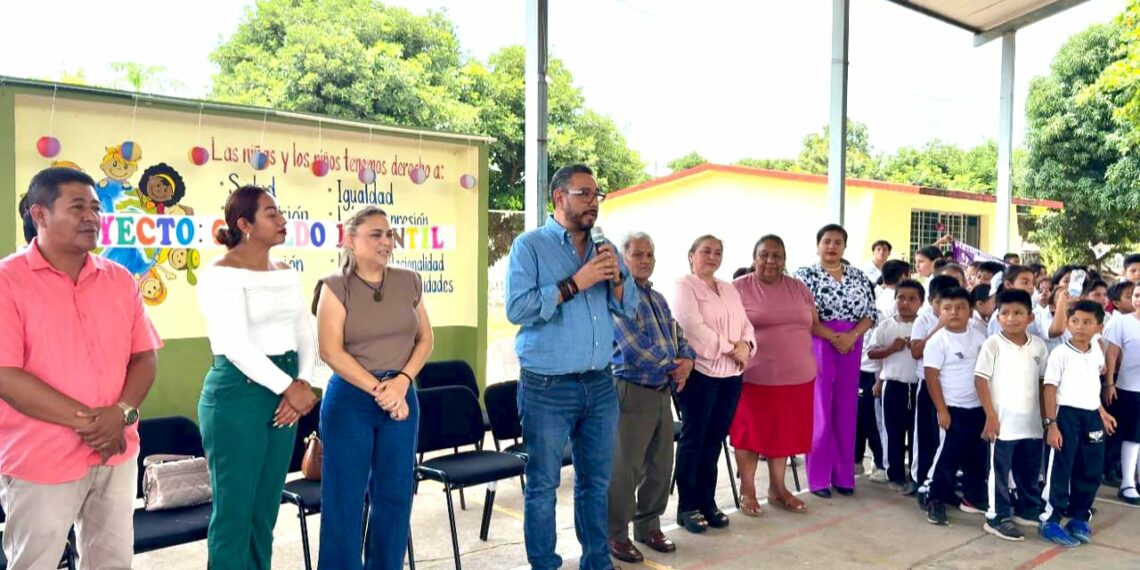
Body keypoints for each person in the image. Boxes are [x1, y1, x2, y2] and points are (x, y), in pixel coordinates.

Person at [0, 167, 161, 569]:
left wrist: (120, 414)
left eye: (95, 207)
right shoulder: (7, 280)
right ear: (39, 215)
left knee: (112, 561)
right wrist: (97, 423)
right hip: (42, 458)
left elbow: (144, 357)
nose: (92, 216)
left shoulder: (120, 280)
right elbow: (6, 375)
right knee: (34, 562)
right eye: (77, 207)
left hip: (116, 454)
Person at [505, 164, 637, 570]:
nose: (594, 202)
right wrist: (575, 283)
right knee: (543, 485)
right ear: (559, 198)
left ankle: (596, 561)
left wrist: (616, 280)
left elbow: (627, 306)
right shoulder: (530, 247)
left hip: (599, 384)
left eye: (597, 194)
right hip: (547, 387)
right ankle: (544, 563)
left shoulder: (606, 248)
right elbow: (518, 308)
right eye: (585, 194)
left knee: (595, 483)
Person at [196, 185, 320, 570]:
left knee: (264, 511)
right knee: (234, 515)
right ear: (244, 223)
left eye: (280, 211)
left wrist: (303, 382)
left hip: (286, 392)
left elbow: (305, 332)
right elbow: (234, 344)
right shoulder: (220, 274)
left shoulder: (286, 272)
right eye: (271, 213)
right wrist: (291, 388)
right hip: (237, 395)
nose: (282, 220)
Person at [313, 206, 434, 569]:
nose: (386, 241)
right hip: (352, 399)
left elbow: (426, 339)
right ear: (350, 241)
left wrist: (401, 383)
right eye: (375, 234)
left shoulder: (409, 280)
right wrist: (380, 390)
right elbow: (330, 350)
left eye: (389, 234)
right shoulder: (334, 287)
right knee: (344, 501)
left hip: (401, 396)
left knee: (395, 496)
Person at [607, 232, 695, 563]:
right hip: (630, 390)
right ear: (621, 258)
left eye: (650, 254)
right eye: (638, 254)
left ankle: (648, 526)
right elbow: (631, 347)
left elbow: (678, 334)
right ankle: (616, 534)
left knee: (659, 465)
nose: (645, 260)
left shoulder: (656, 297)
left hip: (661, 391)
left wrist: (687, 360)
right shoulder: (617, 295)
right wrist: (675, 366)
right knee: (625, 468)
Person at [672, 234, 754, 532]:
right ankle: (688, 507)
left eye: (718, 251)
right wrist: (732, 348)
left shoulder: (729, 289)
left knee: (715, 440)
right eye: (705, 251)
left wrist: (747, 346)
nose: (712, 256)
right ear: (691, 255)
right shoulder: (684, 285)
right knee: (694, 441)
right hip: (700, 375)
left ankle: (708, 501)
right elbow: (692, 327)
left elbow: (746, 325)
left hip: (731, 376)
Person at [730, 235, 816, 516]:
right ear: (754, 258)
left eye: (777, 255)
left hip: (798, 376)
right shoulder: (738, 289)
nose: (770, 261)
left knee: (784, 434)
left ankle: (777, 489)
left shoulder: (799, 288)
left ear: (784, 259)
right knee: (749, 435)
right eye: (764, 255)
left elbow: (812, 324)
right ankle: (748, 490)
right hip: (755, 377)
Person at [794, 224, 877, 498]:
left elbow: (870, 314)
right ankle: (818, 479)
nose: (832, 246)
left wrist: (851, 337)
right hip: (819, 343)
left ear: (844, 246)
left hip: (851, 346)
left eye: (837, 242)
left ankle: (843, 476)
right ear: (818, 245)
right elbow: (804, 316)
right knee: (819, 410)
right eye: (827, 241)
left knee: (845, 408)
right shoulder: (804, 276)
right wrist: (833, 337)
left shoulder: (858, 276)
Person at [1040, 301, 1117, 546]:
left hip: (1091, 415)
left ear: (1098, 326)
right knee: (1061, 467)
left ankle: (1079, 516)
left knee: (1091, 467)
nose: (1080, 327)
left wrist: (1102, 413)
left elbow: (1092, 385)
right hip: (1066, 416)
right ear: (1068, 323)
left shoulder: (1095, 348)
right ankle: (1050, 519)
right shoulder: (1060, 353)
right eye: (1075, 321)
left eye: (1087, 322)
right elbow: (1049, 389)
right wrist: (1051, 424)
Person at [974, 290, 1049, 541]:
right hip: (1003, 422)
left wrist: (1046, 417)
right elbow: (981, 380)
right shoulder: (993, 344)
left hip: (1031, 423)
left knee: (1028, 469)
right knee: (999, 470)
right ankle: (997, 516)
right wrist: (990, 415)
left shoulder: (1038, 346)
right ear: (997, 316)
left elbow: (1043, 384)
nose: (1011, 318)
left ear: (1030, 317)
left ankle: (1028, 508)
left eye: (1018, 313)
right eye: (1004, 313)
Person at [922, 287, 989, 525]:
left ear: (970, 310)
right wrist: (942, 410)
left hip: (977, 408)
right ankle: (934, 499)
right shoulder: (937, 341)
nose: (954, 312)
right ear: (939, 310)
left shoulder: (979, 336)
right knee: (947, 456)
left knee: (976, 456)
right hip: (951, 408)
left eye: (960, 307)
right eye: (948, 308)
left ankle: (972, 498)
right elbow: (931, 377)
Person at [867, 279, 924, 494]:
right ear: (895, 299)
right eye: (901, 298)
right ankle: (896, 474)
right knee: (893, 433)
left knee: (916, 433)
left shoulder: (924, 325)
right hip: (893, 387)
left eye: (912, 299)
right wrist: (892, 348)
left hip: (918, 387)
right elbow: (871, 353)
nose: (906, 303)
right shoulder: (886, 326)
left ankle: (916, 474)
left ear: (921, 302)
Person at [909, 275, 961, 502]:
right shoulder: (925, 320)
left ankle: (944, 484)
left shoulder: (965, 324)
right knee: (926, 437)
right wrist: (939, 326)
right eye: (944, 304)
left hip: (953, 390)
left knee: (947, 439)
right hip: (928, 387)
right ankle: (921, 481)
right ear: (933, 302)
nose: (951, 310)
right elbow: (916, 351)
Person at [1103, 285, 1140, 506]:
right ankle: (1127, 482)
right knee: (1132, 435)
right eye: (1136, 295)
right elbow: (1112, 353)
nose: (1138, 300)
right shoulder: (1122, 322)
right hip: (1129, 388)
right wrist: (1109, 384)